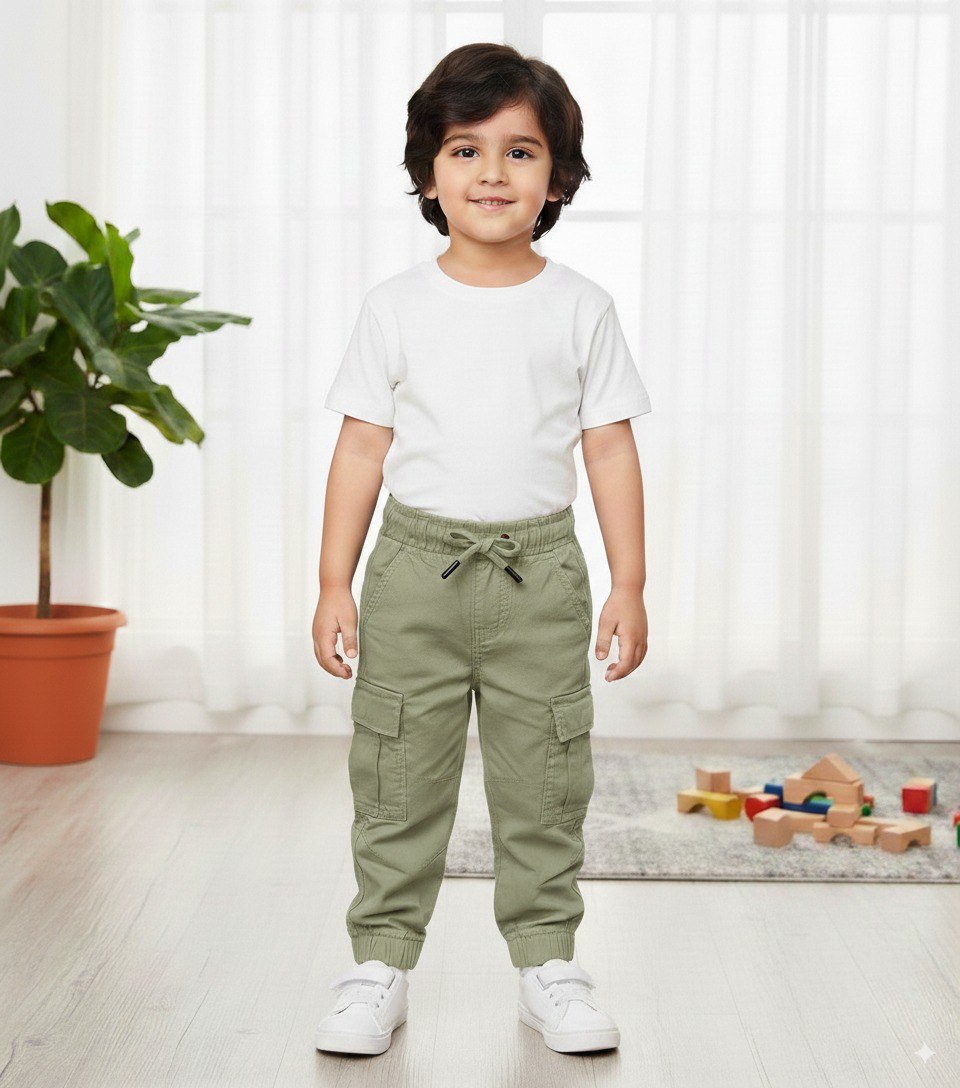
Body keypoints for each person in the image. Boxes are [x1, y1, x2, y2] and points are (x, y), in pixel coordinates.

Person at [312, 42, 651, 1057]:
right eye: (466, 148)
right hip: (414, 573)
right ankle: (380, 961)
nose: (493, 174)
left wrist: (629, 580)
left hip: (540, 577)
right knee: (396, 767)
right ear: (429, 171)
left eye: (521, 151)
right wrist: (334, 578)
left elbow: (610, 447)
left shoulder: (581, 307)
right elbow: (362, 445)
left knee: (546, 772)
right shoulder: (396, 307)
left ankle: (549, 960)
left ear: (558, 179)